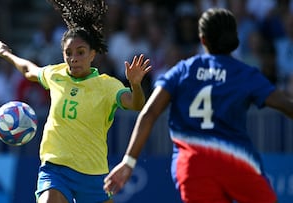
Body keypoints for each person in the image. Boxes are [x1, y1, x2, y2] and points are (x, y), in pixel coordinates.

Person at [104, 8, 293, 203]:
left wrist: (128, 161)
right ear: (234, 39)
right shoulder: (245, 74)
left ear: (202, 40)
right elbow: (285, 105)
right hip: (236, 163)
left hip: (193, 166)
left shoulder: (183, 70)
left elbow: (149, 113)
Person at [0, 0, 151, 202]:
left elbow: (137, 105)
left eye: (80, 52)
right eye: (68, 53)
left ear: (93, 54)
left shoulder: (107, 86)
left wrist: (135, 85)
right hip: (55, 168)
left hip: (93, 174)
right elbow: (29, 70)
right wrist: (7, 54)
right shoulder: (56, 74)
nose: (74, 58)